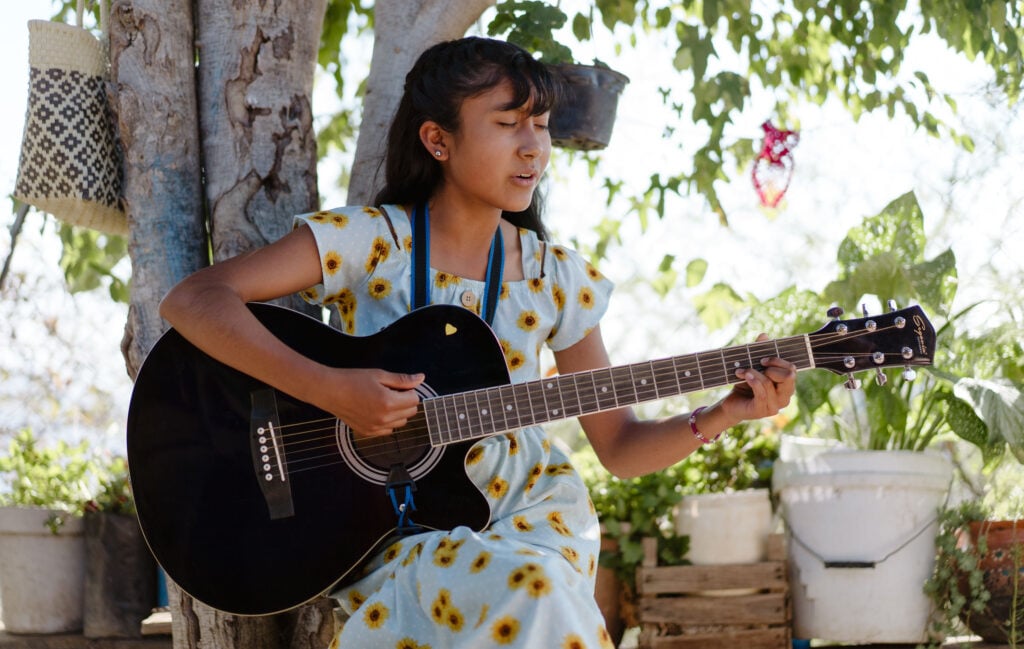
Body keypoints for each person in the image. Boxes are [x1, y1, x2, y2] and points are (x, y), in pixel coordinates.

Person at [159, 36, 796, 649]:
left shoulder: (555, 278)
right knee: (532, 592)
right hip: (395, 534)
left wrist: (723, 413)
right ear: (437, 140)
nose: (533, 147)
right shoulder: (372, 243)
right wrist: (328, 389)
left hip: (535, 524)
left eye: (541, 125)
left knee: (537, 586)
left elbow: (621, 448)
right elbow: (193, 301)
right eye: (508, 124)